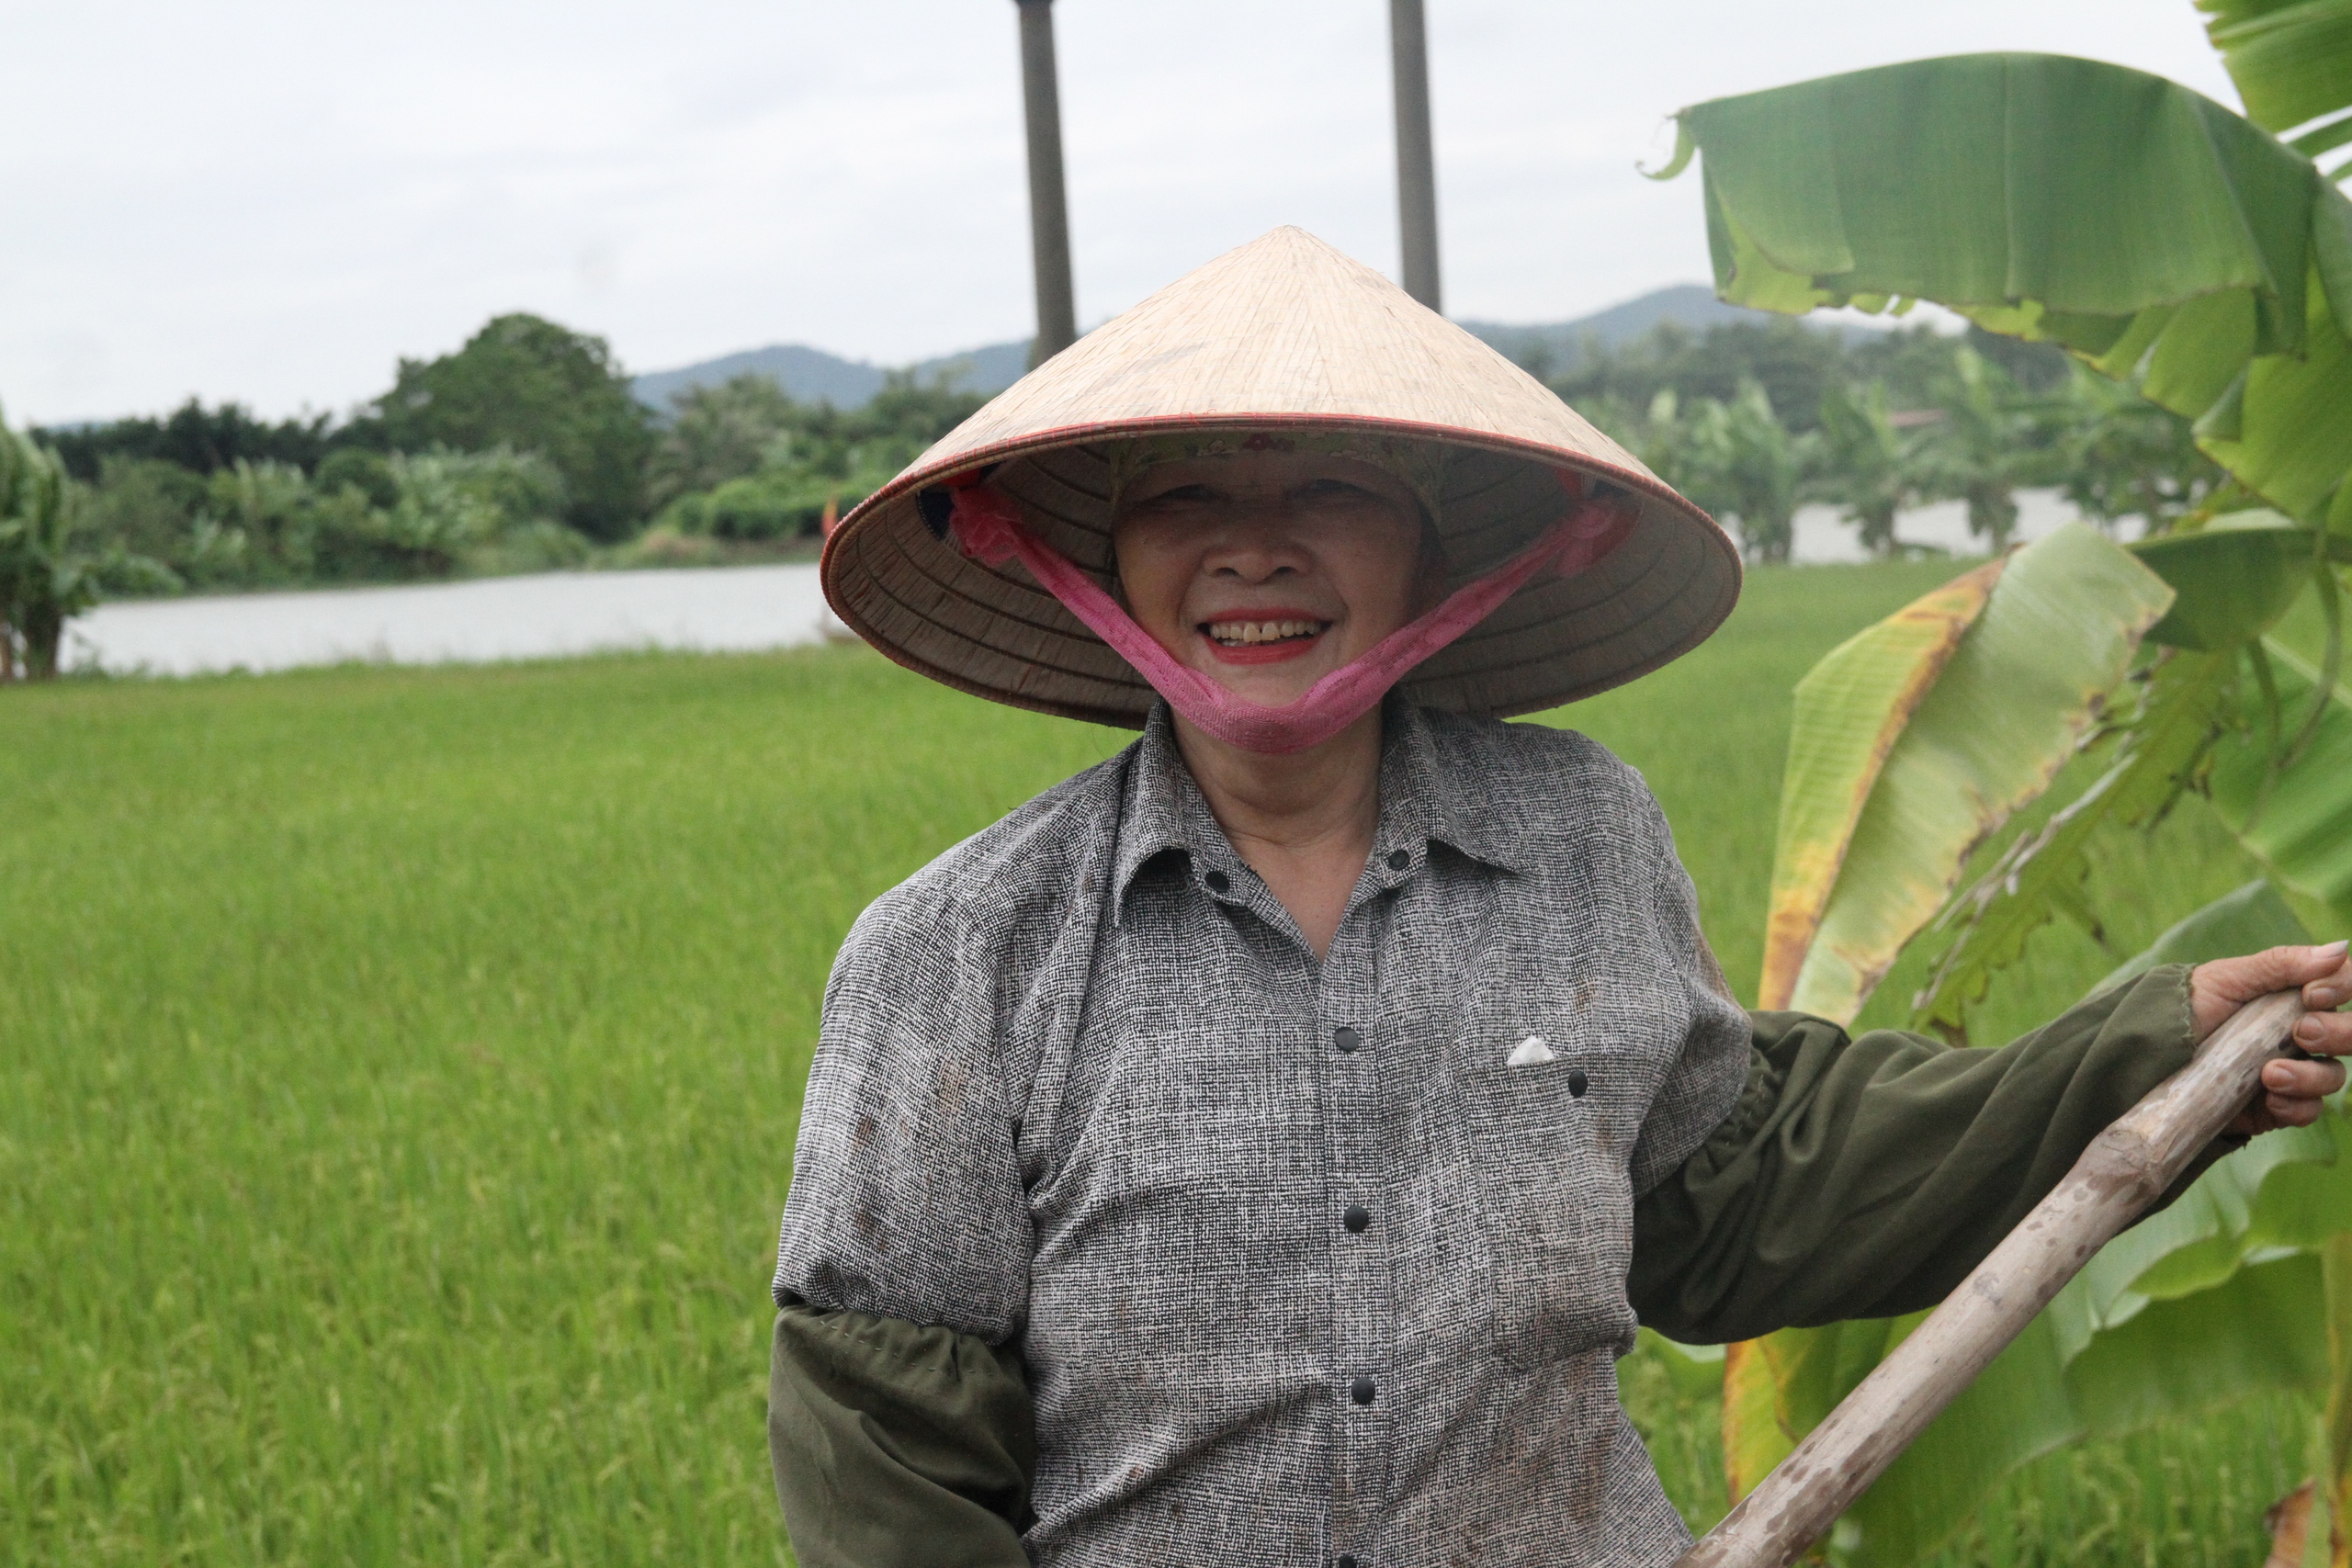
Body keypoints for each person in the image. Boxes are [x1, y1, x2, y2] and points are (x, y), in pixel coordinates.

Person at [765, 228, 2350, 1567]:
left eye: (1329, 490)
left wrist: (2155, 1045)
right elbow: (890, 1445)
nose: (1254, 550)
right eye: (1186, 500)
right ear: (1102, 567)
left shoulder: (1582, 836)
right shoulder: (962, 949)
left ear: (1433, 558)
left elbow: (1739, 1184)